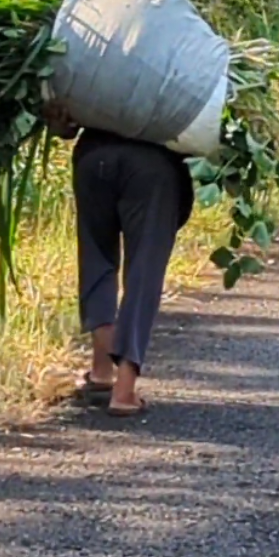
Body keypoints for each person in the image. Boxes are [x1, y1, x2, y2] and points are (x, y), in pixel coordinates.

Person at [49, 112, 193, 418]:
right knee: (144, 270)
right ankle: (124, 391)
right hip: (154, 164)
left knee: (96, 256)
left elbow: (61, 121)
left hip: (94, 155)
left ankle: (101, 372)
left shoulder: (99, 62)